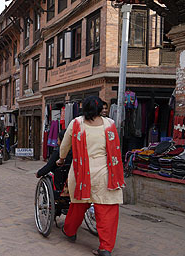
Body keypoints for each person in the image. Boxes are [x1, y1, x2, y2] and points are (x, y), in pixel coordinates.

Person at [57, 96, 125, 256]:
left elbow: (65, 144)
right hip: (105, 173)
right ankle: (105, 248)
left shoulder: (76, 123)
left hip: (82, 173)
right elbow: (115, 147)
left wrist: (61, 159)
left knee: (78, 205)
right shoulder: (110, 124)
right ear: (100, 108)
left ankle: (70, 231)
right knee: (107, 210)